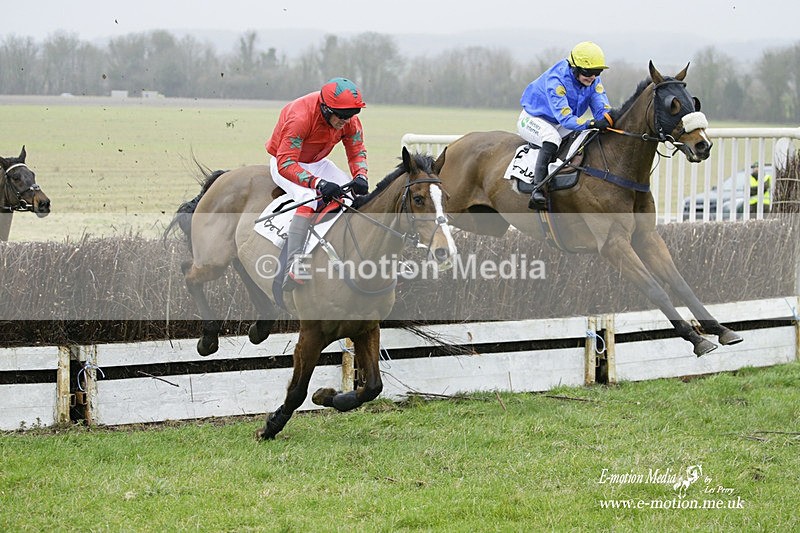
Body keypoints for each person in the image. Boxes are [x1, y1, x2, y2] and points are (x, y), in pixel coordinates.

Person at [266, 77, 370, 292]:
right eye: (341, 116)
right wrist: (318, 184)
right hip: (286, 163)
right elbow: (285, 162)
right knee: (309, 199)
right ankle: (293, 264)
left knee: (355, 198)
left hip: (318, 162)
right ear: (325, 108)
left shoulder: (348, 118)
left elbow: (356, 150)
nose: (346, 120)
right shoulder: (300, 117)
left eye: (351, 115)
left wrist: (361, 176)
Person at [518, 41, 614, 209]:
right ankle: (538, 189)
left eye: (597, 72)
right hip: (533, 119)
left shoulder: (593, 82)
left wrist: (611, 120)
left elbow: (602, 109)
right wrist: (591, 122)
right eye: (588, 72)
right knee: (552, 137)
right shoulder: (557, 81)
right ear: (574, 67)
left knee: (586, 135)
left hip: (558, 121)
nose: (592, 77)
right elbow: (566, 119)